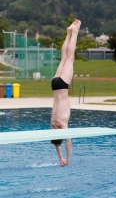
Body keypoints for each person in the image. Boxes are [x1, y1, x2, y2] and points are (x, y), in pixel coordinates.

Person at [50, 19, 81, 167]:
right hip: (55, 84)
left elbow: (67, 143)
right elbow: (56, 143)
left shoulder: (61, 124)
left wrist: (67, 159)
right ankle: (68, 32)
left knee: (70, 58)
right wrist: (59, 158)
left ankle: (74, 31)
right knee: (64, 57)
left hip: (62, 86)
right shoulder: (52, 124)